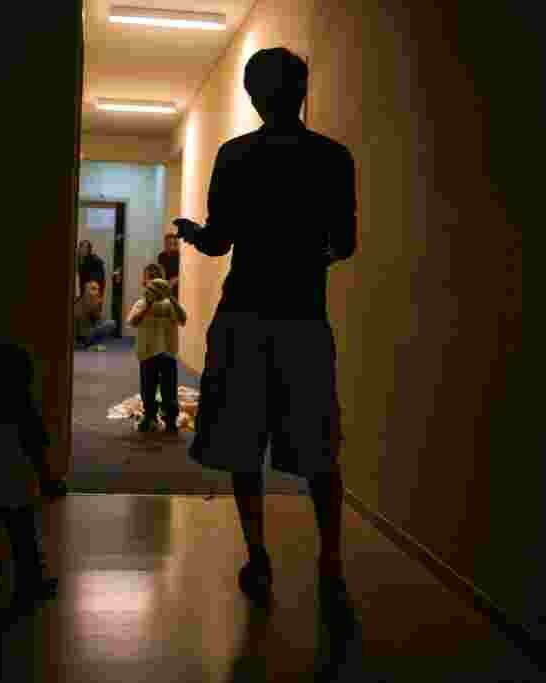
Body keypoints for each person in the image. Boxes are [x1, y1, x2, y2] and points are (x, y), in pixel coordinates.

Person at [172, 47, 358, 637]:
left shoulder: (235, 156)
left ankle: (259, 557)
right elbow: (345, 244)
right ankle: (330, 563)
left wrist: (194, 235)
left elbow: (220, 242)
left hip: (244, 316)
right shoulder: (332, 157)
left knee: (242, 444)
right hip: (303, 317)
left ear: (253, 94)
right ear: (303, 91)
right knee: (320, 450)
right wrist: (306, 259)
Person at [0, 342, 59, 609]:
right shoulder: (23, 406)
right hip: (15, 481)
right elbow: (35, 447)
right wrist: (47, 481)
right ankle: (29, 585)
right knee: (23, 537)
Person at [127, 263, 187, 434]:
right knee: (148, 388)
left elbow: (183, 319)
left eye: (157, 275)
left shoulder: (170, 304)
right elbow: (133, 321)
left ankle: (170, 420)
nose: (153, 277)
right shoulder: (142, 302)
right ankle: (150, 417)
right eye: (150, 275)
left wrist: (171, 297)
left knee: (169, 388)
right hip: (147, 352)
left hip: (168, 351)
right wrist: (148, 303)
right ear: (144, 282)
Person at [74, 280, 117, 350]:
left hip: (79, 335)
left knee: (101, 323)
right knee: (111, 323)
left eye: (98, 289)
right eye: (94, 289)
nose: (97, 292)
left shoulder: (80, 300)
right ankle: (93, 345)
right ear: (87, 290)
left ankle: (90, 344)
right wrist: (98, 304)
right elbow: (98, 318)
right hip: (85, 335)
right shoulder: (91, 301)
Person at [157, 232, 181, 300]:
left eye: (174, 244)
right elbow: (161, 271)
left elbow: (185, 273)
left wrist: (175, 280)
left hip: (177, 287)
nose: (171, 246)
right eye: (169, 244)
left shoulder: (180, 256)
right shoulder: (161, 256)